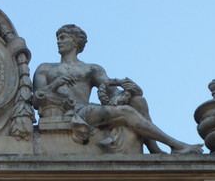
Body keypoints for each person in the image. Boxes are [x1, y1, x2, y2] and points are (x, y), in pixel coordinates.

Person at [32, 24, 202, 154]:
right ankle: (176, 145)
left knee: (138, 101)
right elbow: (36, 99)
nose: (59, 41)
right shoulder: (45, 68)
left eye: (63, 37)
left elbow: (111, 93)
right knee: (127, 113)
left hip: (86, 110)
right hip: (70, 112)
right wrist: (56, 84)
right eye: (58, 38)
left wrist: (132, 90)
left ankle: (155, 149)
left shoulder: (92, 69)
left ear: (75, 42)